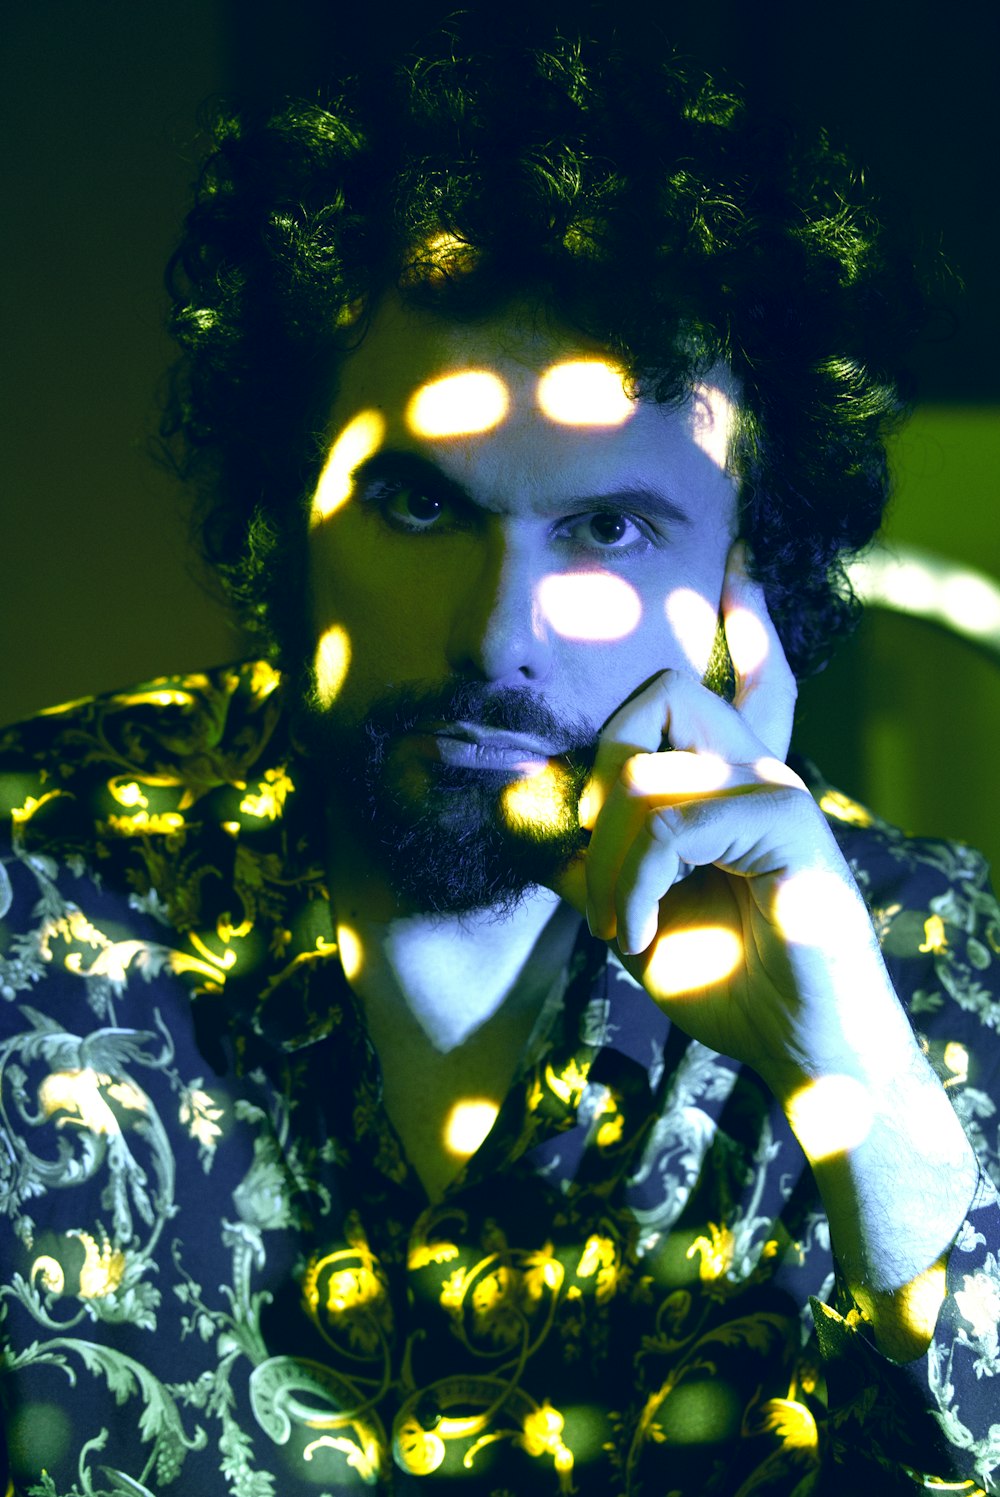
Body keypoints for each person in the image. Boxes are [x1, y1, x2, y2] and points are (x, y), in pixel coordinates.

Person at [1, 19, 998, 1496]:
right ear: (295, 515)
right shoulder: (32, 892)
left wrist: (867, 1094)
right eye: (420, 506)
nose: (498, 634)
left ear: (746, 587)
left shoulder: (944, 967)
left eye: (607, 528)